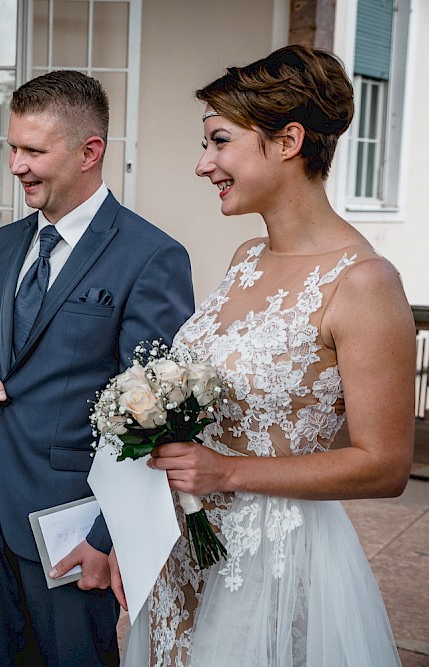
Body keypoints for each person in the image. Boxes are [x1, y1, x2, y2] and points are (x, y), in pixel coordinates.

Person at [129, 44, 415, 666]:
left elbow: (385, 465)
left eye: (220, 141)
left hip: (272, 562)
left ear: (287, 141)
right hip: (187, 550)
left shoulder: (364, 282)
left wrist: (225, 472)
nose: (204, 165)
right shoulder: (244, 261)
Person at [0, 70, 195, 666]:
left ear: (90, 153)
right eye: (13, 147)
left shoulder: (151, 257)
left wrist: (106, 538)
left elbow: (154, 418)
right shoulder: (8, 243)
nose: (16, 165)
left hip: (76, 527)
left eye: (33, 151)